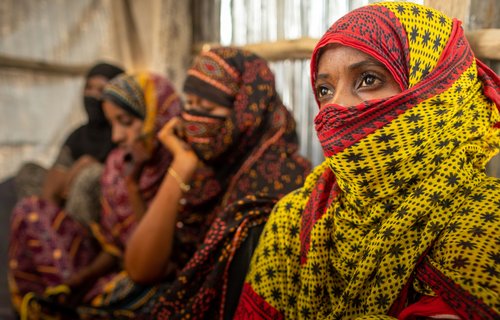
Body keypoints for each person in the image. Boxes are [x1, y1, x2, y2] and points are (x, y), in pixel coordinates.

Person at [235, 2, 499, 319]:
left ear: (438, 90)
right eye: (324, 89)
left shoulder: (485, 222)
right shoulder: (296, 217)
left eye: (368, 79)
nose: (336, 107)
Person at [76, 47, 311, 320]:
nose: (192, 120)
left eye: (207, 109)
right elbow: (142, 267)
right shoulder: (204, 172)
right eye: (189, 106)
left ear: (245, 115)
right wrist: (182, 165)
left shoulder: (282, 183)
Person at [9, 72, 182, 318]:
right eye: (112, 123)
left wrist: (133, 186)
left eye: (125, 121)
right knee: (29, 210)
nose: (116, 136)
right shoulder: (117, 165)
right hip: (109, 263)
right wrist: (85, 277)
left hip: (147, 273)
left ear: (158, 117)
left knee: (158, 297)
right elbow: (113, 247)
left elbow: (151, 263)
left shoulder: (182, 170)